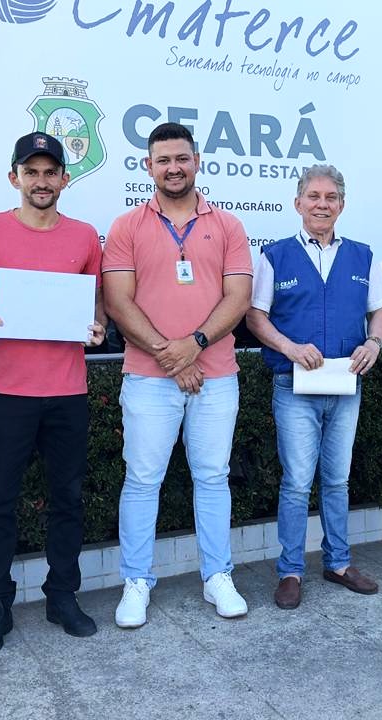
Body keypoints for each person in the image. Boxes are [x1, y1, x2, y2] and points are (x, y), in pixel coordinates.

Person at [0, 131, 106, 656]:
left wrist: (98, 327)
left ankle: (62, 596)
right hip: (4, 390)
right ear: (14, 177)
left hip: (67, 391)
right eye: (31, 172)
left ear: (65, 178)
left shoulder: (84, 237)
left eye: (50, 172)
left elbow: (96, 303)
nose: (41, 181)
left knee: (68, 499)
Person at [102, 122, 252, 627]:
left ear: (197, 162)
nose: (173, 168)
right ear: (148, 166)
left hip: (216, 376)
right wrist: (173, 356)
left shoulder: (228, 225)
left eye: (181, 158)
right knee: (142, 480)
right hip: (149, 377)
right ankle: (136, 582)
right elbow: (118, 301)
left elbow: (238, 297)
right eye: (163, 160)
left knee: (212, 478)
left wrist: (195, 346)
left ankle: (217, 576)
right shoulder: (127, 226)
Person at [245, 164, 382, 610]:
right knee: (296, 483)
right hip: (294, 387)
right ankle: (290, 571)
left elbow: (379, 311)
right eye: (313, 196)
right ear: (298, 203)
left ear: (341, 205)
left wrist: (374, 342)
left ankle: (338, 563)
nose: (322, 204)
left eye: (330, 197)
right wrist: (289, 347)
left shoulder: (363, 256)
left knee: (337, 480)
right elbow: (255, 316)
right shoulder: (275, 255)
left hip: (346, 387)